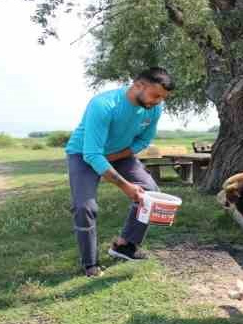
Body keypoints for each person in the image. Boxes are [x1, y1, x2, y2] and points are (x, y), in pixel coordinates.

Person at [65, 67, 174, 277]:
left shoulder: (153, 109)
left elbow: (143, 140)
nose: (159, 101)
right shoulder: (103, 105)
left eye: (163, 97)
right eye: (156, 95)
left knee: (149, 191)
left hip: (119, 154)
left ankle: (125, 245)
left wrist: (117, 157)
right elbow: (92, 154)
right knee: (84, 207)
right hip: (83, 154)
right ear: (139, 85)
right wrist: (125, 186)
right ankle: (90, 264)